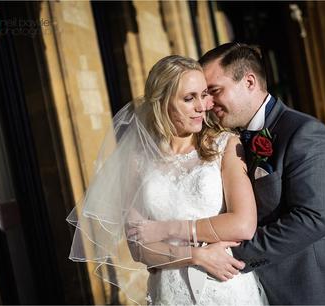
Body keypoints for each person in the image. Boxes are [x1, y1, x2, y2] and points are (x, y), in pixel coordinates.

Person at [67, 55, 268, 305]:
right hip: (170, 293)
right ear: (162, 102)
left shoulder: (225, 145)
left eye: (203, 94)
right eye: (188, 98)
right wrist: (197, 255)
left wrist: (167, 233)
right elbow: (139, 247)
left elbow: (242, 223)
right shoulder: (137, 161)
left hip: (224, 288)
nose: (202, 106)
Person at [196, 42, 325, 305]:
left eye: (214, 91)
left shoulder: (305, 133)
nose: (208, 103)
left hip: (309, 293)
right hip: (249, 293)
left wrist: (231, 253)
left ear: (249, 82)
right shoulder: (224, 141)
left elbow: (312, 219)